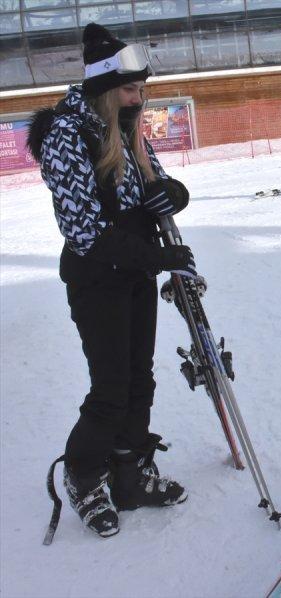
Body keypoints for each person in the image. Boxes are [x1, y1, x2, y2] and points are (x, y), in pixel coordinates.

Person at [27, 23, 195, 539]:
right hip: (98, 277)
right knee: (111, 388)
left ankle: (129, 474)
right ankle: (84, 474)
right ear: (103, 87)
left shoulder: (124, 125)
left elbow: (154, 181)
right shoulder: (65, 133)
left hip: (136, 271)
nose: (138, 98)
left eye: (142, 89)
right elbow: (83, 232)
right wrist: (157, 256)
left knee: (140, 378)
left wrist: (173, 193)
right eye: (130, 89)